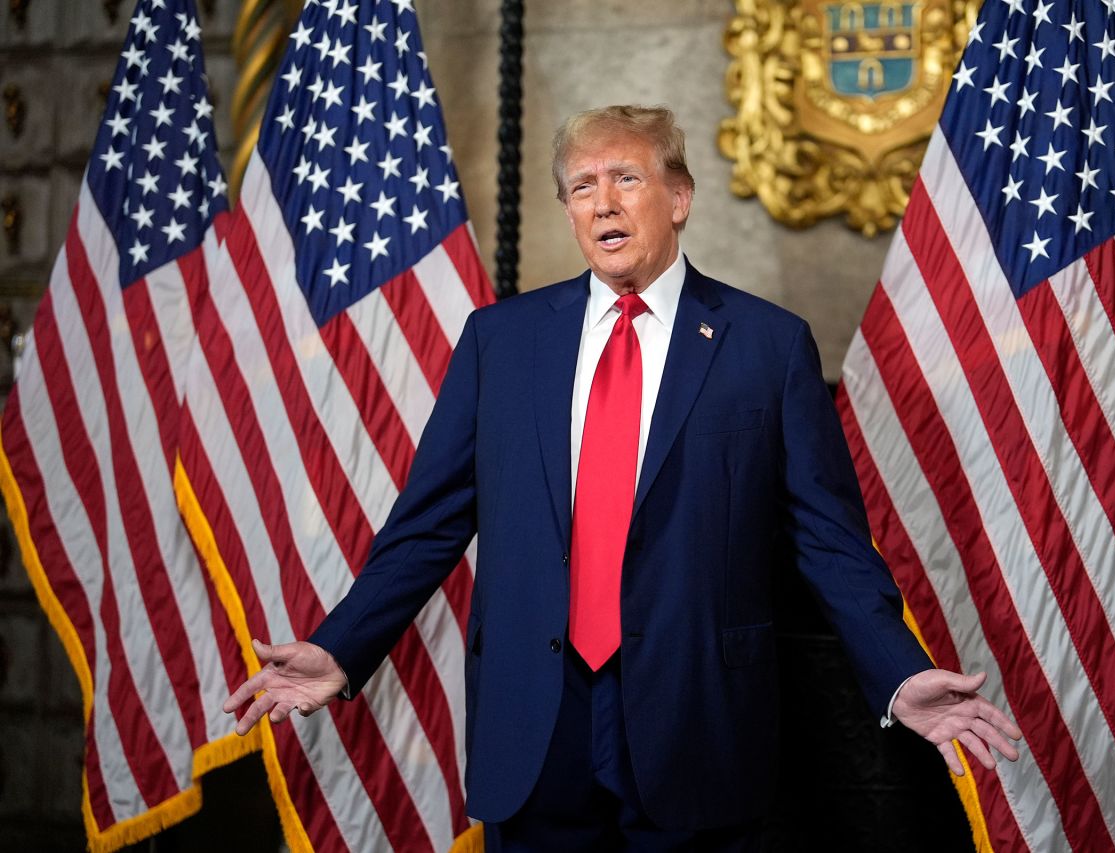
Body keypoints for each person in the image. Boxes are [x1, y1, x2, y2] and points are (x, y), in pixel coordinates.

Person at [224, 105, 1021, 851]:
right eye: (582, 186)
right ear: (569, 212)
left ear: (678, 198)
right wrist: (340, 647)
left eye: (626, 179)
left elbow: (831, 542)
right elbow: (426, 524)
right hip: (537, 724)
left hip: (697, 718)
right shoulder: (501, 342)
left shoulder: (766, 346)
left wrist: (899, 669)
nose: (602, 201)